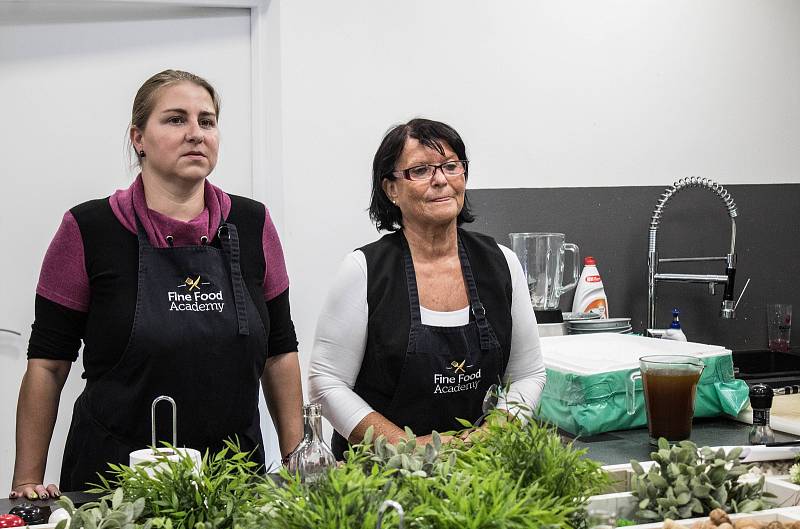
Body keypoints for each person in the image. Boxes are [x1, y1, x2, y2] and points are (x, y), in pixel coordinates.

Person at [10, 70, 303, 499]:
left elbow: (279, 353)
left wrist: (297, 459)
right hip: (112, 482)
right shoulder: (89, 229)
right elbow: (48, 365)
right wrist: (26, 482)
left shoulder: (253, 223)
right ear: (138, 138)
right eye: (175, 120)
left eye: (206, 121)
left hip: (233, 479)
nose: (195, 134)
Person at [308, 118, 546, 459]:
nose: (440, 180)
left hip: (482, 474)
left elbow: (528, 373)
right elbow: (325, 383)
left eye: (451, 166)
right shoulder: (364, 272)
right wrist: (405, 448)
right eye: (420, 170)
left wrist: (492, 436)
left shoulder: (502, 264)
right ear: (391, 189)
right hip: (381, 478)